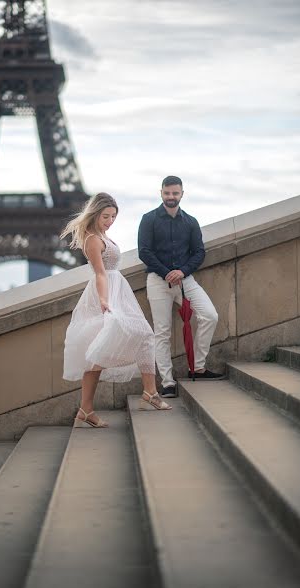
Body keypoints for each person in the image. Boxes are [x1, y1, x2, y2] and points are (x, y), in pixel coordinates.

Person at [61, 192, 172, 428]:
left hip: (118, 293)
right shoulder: (92, 239)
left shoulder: (102, 235)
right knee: (100, 352)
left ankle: (143, 393)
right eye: (106, 216)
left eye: (113, 216)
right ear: (95, 214)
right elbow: (100, 273)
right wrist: (104, 300)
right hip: (107, 295)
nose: (110, 221)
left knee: (133, 339)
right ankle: (88, 409)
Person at [138, 176, 224, 399]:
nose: (171, 197)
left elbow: (199, 252)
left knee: (210, 315)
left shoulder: (191, 222)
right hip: (158, 282)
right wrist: (167, 272)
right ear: (161, 193)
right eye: (167, 193)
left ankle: (197, 367)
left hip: (186, 281)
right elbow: (144, 252)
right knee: (162, 332)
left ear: (182, 194)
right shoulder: (148, 220)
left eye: (175, 193)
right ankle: (167, 383)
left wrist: (182, 272)